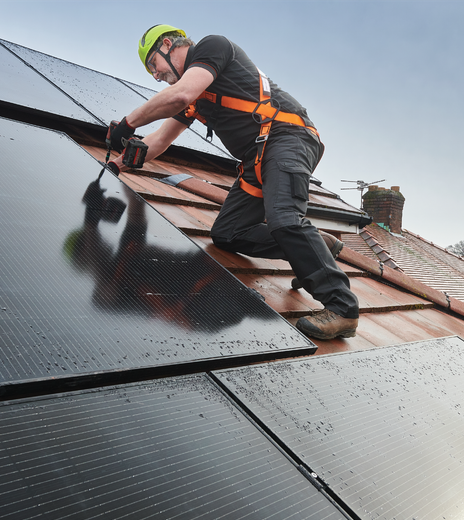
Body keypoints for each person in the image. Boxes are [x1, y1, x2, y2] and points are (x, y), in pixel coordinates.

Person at [107, 25, 359, 340]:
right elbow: (158, 140)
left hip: (287, 137)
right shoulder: (193, 95)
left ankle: (342, 308)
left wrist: (129, 122)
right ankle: (317, 247)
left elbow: (179, 94)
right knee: (228, 234)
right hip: (257, 161)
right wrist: (118, 162)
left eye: (153, 65)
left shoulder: (212, 48)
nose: (155, 76)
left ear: (168, 45)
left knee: (284, 218)